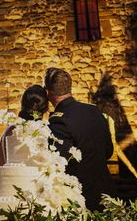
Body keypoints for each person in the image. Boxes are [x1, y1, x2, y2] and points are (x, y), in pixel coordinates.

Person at [44, 67, 116, 211]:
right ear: (69, 88)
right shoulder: (94, 111)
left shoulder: (58, 120)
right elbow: (108, 151)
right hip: (107, 194)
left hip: (81, 200)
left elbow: (60, 163)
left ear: (47, 92)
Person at [0, 84, 49, 166]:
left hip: (11, 178)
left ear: (22, 105)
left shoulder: (10, 131)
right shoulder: (46, 132)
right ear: (46, 109)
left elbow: (0, 167)